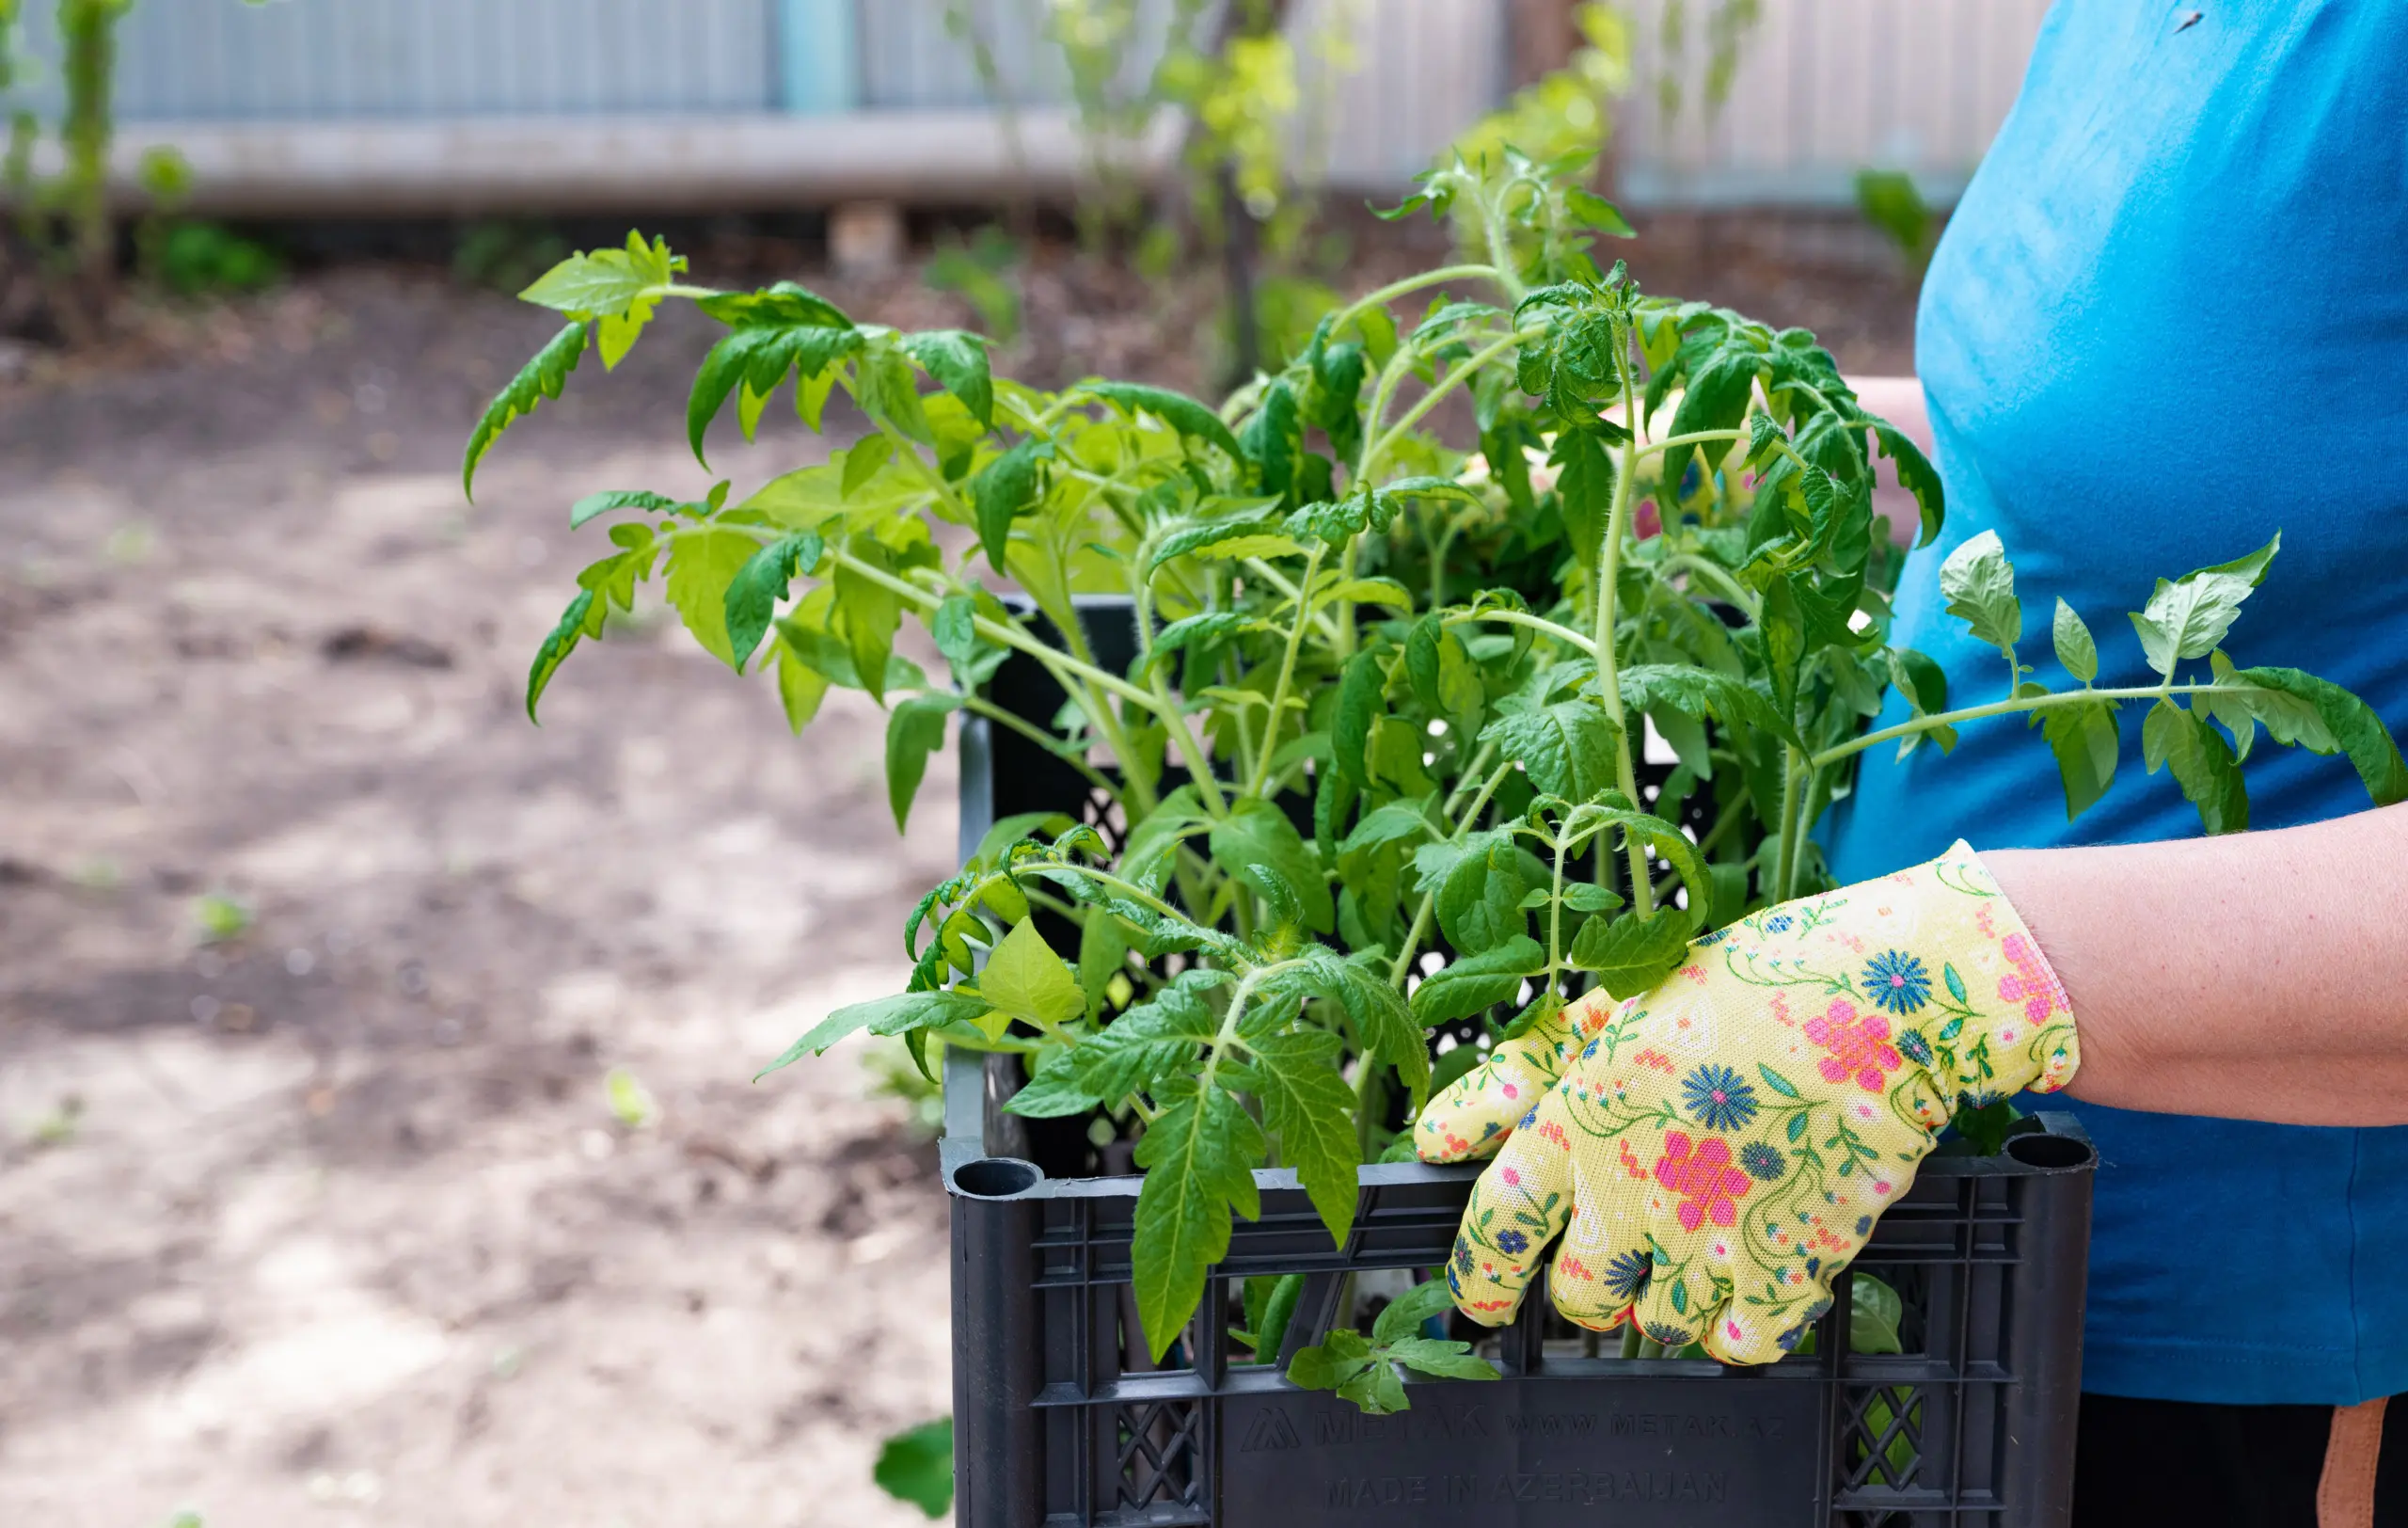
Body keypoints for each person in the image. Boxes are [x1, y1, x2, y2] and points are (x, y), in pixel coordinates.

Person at [1418, 5, 2408, 1524]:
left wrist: (1958, 970)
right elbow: (2114, 453)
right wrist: (1721, 459)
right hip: (1891, 1238)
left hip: (2227, 1362)